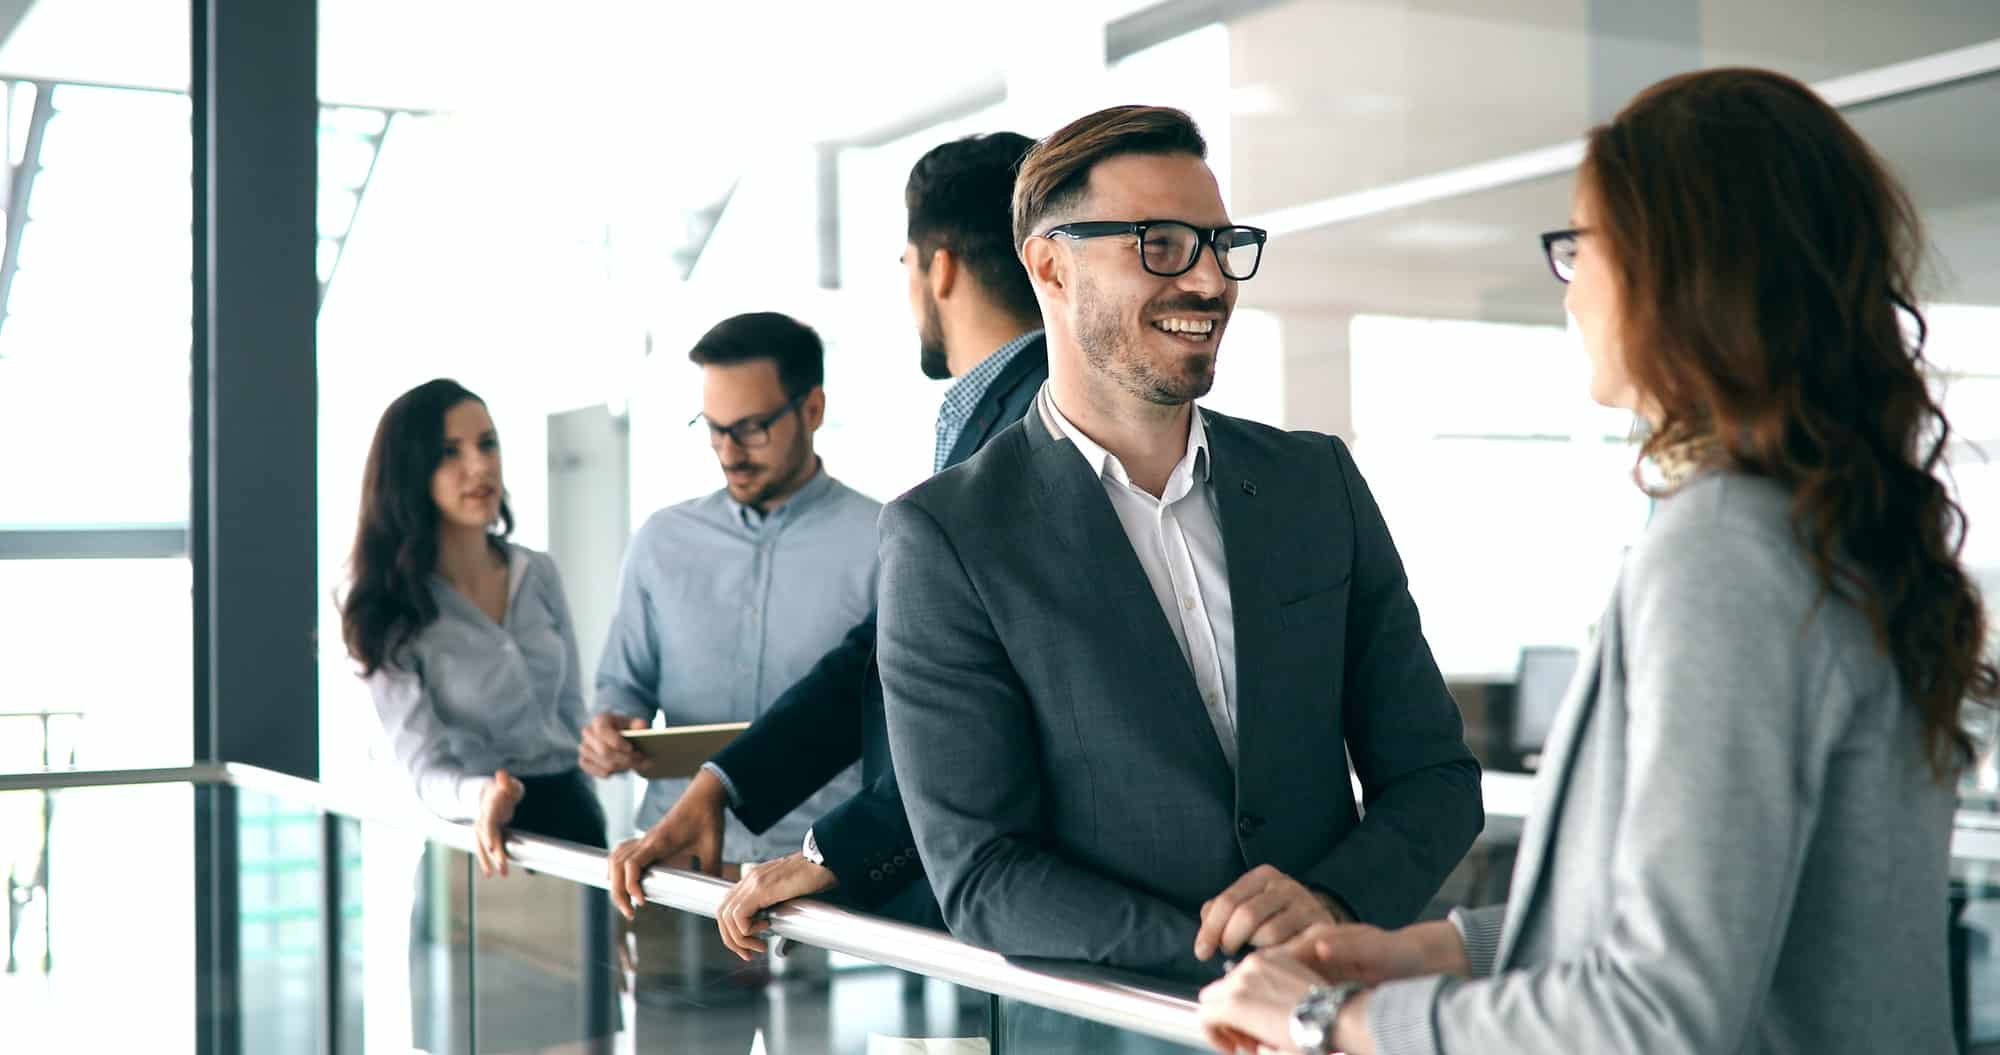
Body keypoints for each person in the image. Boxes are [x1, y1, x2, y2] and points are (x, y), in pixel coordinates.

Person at [1196, 67, 1997, 1055]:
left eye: (1581, 244)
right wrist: (1434, 949)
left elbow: (1653, 1011)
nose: (1568, 289)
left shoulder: (1721, 552)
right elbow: (1734, 924)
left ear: (1679, 267)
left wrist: (1325, 1018)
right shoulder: (1815, 531)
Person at [874, 105, 1484, 988]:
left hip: (1328, 1021)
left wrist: (1335, 906)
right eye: (1160, 243)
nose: (1208, 281)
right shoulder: (950, 535)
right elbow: (983, 871)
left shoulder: (1316, 484)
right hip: (1116, 1031)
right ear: (1049, 264)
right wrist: (1231, 956)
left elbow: (1434, 775)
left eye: (1218, 243)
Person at [602, 132, 1049, 957]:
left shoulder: (1030, 433)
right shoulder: (1001, 420)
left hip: (996, 906)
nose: (732, 446)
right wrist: (724, 783)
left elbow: (978, 708)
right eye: (716, 428)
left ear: (939, 268)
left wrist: (828, 850)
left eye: (908, 263)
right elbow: (884, 657)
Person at [340, 378, 614, 1051]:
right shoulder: (381, 604)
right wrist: (483, 795)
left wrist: (606, 742)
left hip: (575, 827)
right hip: (475, 846)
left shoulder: (537, 573)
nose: (480, 465)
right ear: (409, 473)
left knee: (584, 1040)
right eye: (450, 452)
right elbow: (423, 766)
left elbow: (572, 713)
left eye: (487, 443)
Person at [582, 312, 880, 874]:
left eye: (750, 428)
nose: (728, 452)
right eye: (714, 428)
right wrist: (610, 729)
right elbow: (622, 687)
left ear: (812, 409)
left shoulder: (884, 543)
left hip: (817, 874)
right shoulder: (661, 542)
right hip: (673, 865)